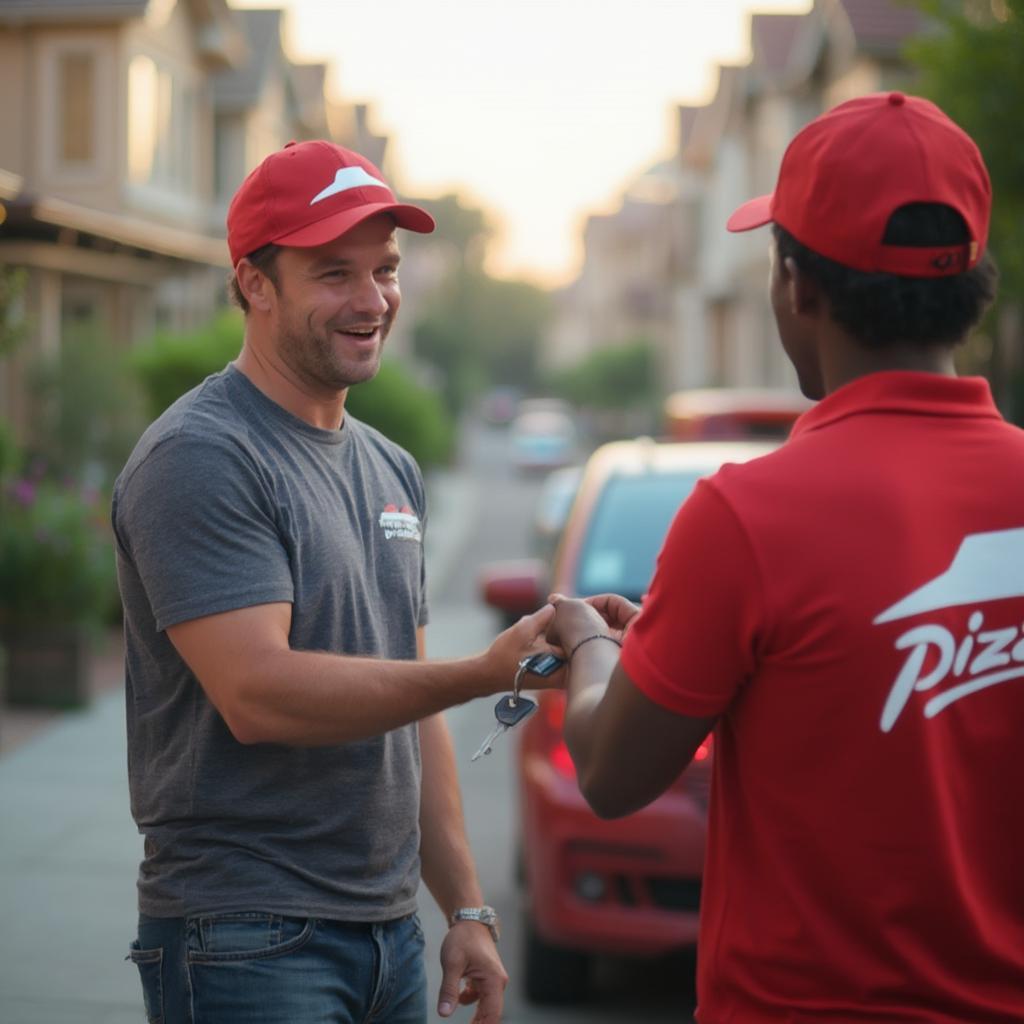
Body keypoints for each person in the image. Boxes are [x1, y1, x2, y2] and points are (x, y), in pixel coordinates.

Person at [544, 93, 1024, 1021]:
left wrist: (593, 644)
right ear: (970, 283)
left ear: (798, 286)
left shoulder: (745, 516)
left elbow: (610, 773)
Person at [113, 140, 558, 1024]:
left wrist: (464, 905)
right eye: (334, 273)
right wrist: (485, 670)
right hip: (243, 935)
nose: (372, 300)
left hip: (385, 933)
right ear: (254, 283)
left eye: (385, 269)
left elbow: (411, 709)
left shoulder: (391, 467)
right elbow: (260, 695)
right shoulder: (204, 457)